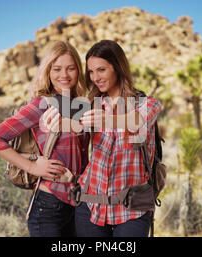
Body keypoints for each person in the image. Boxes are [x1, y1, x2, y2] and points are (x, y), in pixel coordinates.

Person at [0, 40, 90, 237]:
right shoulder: (41, 104)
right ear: (48, 72)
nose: (64, 75)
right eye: (57, 69)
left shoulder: (80, 106)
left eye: (71, 68)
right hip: (48, 207)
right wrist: (32, 166)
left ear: (78, 71)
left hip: (78, 204)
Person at [75, 39, 162, 237]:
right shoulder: (90, 105)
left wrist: (109, 119)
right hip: (90, 206)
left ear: (118, 68)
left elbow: (136, 121)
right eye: (91, 71)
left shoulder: (147, 104)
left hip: (133, 210)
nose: (95, 77)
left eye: (101, 70)